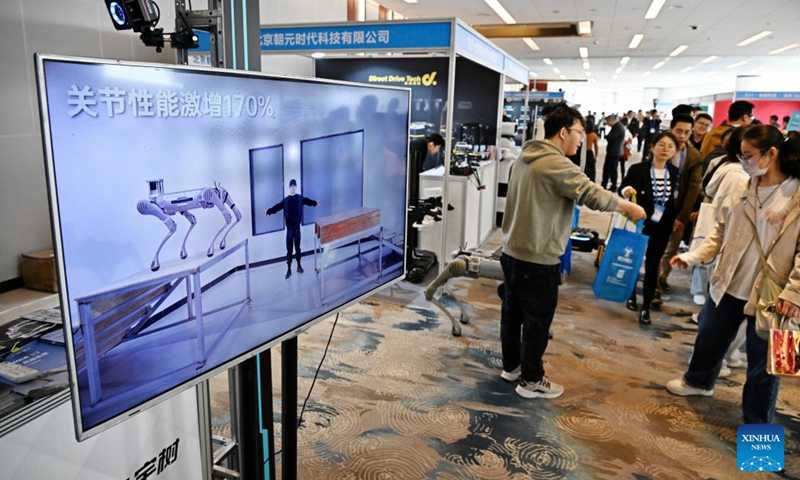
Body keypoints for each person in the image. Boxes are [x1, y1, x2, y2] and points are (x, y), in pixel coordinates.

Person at [500, 103, 645, 399]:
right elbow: (589, 192)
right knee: (537, 322)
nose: (582, 139)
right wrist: (628, 206)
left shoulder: (525, 158)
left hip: (513, 250)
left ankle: (512, 367)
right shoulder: (555, 163)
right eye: (580, 132)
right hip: (537, 257)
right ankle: (531, 381)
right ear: (563, 132)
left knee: (512, 314)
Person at [666, 126, 800, 425]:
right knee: (708, 338)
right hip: (729, 283)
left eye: (749, 155)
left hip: (774, 296)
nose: (744, 161)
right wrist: (693, 256)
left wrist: (795, 294)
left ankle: (758, 434)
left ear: (772, 153)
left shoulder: (795, 195)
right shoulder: (744, 186)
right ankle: (699, 382)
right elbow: (720, 231)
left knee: (765, 368)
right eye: (741, 155)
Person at [621, 132, 680, 325]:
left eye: (670, 146)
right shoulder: (639, 169)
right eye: (661, 145)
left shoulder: (674, 172)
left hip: (662, 226)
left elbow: (673, 200)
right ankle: (631, 295)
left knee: (653, 265)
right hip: (639, 221)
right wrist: (627, 191)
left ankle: (646, 306)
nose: (665, 149)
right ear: (652, 147)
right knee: (634, 260)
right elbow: (623, 187)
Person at [655, 115, 703, 298]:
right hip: (657, 206)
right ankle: (652, 278)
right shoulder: (660, 148)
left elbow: (693, 188)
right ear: (671, 130)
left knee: (671, 248)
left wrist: (683, 217)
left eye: (687, 132)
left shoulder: (694, 156)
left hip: (678, 208)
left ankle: (661, 279)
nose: (683, 136)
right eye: (679, 131)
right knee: (654, 246)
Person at [264, 179, 318, 279]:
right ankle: (289, 269)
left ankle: (299, 266)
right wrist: (268, 211)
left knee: (298, 249)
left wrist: (315, 203)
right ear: (289, 188)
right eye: (291, 186)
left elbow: (307, 201)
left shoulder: (299, 198)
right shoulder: (286, 200)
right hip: (289, 229)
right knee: (289, 250)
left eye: (294, 186)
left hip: (297, 228)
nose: (292, 188)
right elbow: (277, 207)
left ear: (296, 187)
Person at [601, 114, 625, 191]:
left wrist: (607, 136)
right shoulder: (615, 127)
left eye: (607, 121)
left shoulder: (618, 127)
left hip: (615, 152)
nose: (607, 123)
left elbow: (610, 137)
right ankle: (604, 184)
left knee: (613, 169)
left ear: (611, 120)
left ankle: (614, 186)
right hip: (612, 151)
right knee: (607, 169)